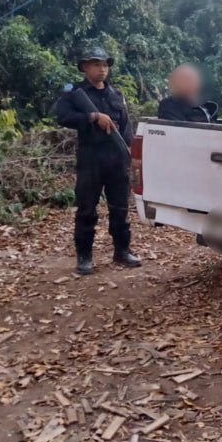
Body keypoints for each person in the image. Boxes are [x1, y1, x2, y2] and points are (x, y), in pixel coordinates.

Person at [57, 46, 142, 275]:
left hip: (116, 158)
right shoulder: (74, 93)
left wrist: (130, 154)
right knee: (87, 209)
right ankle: (84, 257)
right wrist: (93, 117)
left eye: (105, 65)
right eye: (96, 64)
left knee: (120, 208)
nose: (102, 69)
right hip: (91, 158)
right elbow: (63, 117)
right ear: (85, 67)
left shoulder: (116, 95)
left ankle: (122, 251)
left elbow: (126, 128)